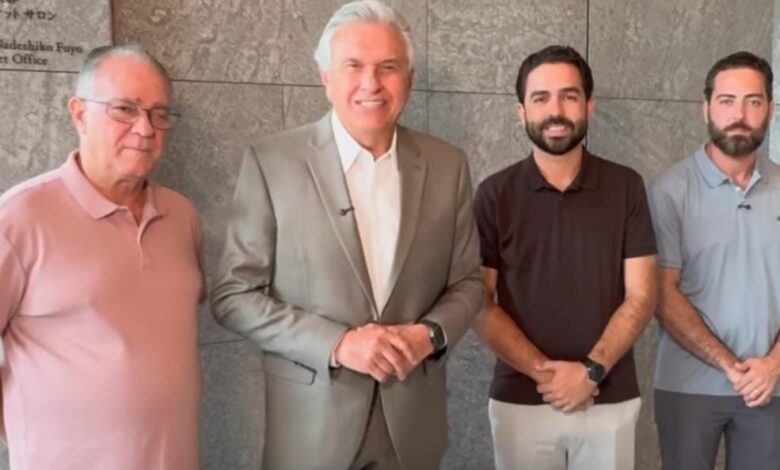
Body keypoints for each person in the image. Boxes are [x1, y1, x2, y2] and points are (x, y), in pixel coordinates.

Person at [210, 1, 482, 469]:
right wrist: (336, 344)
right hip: (310, 432)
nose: (371, 83)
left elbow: (468, 282)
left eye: (388, 67)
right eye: (353, 65)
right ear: (325, 77)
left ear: (409, 80)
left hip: (411, 432)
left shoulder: (447, 165)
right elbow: (234, 296)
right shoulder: (272, 163)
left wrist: (429, 335)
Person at [0, 45, 203, 469]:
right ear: (79, 114)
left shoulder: (181, 216)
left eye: (159, 114)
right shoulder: (20, 217)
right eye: (124, 109)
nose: (145, 128)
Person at [473, 45, 657, 470]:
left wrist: (590, 372)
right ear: (521, 111)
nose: (555, 111)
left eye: (569, 96)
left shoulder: (626, 187)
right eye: (541, 98)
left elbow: (643, 295)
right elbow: (478, 301)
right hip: (521, 399)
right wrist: (546, 374)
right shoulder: (495, 194)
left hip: (608, 396)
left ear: (589, 105)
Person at [650, 51, 780, 470]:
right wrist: (729, 364)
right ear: (705, 108)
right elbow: (661, 294)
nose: (739, 115)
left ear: (770, 109)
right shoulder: (670, 191)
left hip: (770, 387)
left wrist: (772, 366)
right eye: (726, 101)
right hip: (688, 387)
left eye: (753, 101)